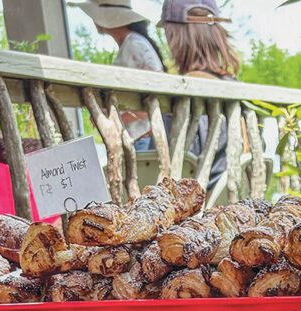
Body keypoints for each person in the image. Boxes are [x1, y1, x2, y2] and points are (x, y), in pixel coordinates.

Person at [160, 0, 241, 189]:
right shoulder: (237, 89)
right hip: (235, 198)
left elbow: (171, 167)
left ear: (174, 35)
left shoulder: (180, 93)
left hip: (195, 201)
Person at [70, 1, 166, 148]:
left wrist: (110, 119)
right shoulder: (132, 43)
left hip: (141, 139)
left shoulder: (133, 45)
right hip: (139, 138)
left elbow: (153, 102)